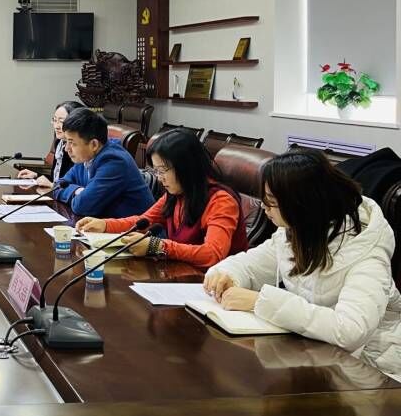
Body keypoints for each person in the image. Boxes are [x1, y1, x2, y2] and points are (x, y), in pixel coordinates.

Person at [203, 149, 401, 379]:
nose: (264, 208)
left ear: (301, 203)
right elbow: (251, 264)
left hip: (374, 368)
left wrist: (260, 301)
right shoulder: (296, 231)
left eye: (271, 202)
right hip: (318, 356)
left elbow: (350, 330)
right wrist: (225, 273)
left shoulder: (366, 252)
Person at [77, 129, 247, 267]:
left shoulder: (221, 201)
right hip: (181, 275)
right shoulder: (176, 194)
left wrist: (157, 246)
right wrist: (105, 225)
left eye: (163, 170)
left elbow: (212, 254)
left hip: (215, 286)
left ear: (186, 167)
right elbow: (143, 221)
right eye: (156, 171)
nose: (159, 178)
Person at [50, 108, 154, 214]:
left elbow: (82, 206)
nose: (66, 148)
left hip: (134, 224)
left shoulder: (114, 162)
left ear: (94, 144)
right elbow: (57, 186)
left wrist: (75, 193)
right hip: (103, 222)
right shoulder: (85, 157)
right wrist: (78, 191)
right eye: (66, 142)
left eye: (72, 143)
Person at [17, 100, 83, 187]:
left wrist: (52, 185)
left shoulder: (77, 149)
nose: (56, 126)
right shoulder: (59, 142)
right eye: (55, 120)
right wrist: (37, 176)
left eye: (61, 122)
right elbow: (57, 179)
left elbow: (73, 185)